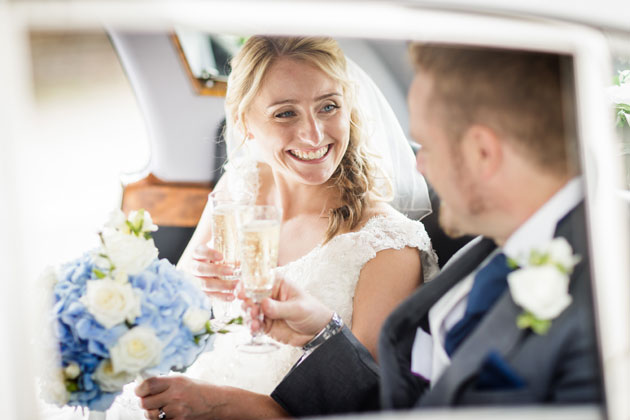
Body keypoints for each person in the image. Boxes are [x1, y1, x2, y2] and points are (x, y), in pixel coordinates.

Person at [226, 44, 602, 416]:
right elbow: (395, 397)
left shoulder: (600, 300)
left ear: (482, 152)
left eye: (428, 147)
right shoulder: (481, 255)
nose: (419, 167)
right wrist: (323, 332)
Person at [131, 36, 439, 419]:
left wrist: (214, 403)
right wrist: (199, 282)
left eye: (328, 107)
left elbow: (359, 402)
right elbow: (178, 303)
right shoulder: (238, 188)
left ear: (349, 107)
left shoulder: (389, 244)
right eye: (285, 113)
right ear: (245, 123)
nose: (313, 134)